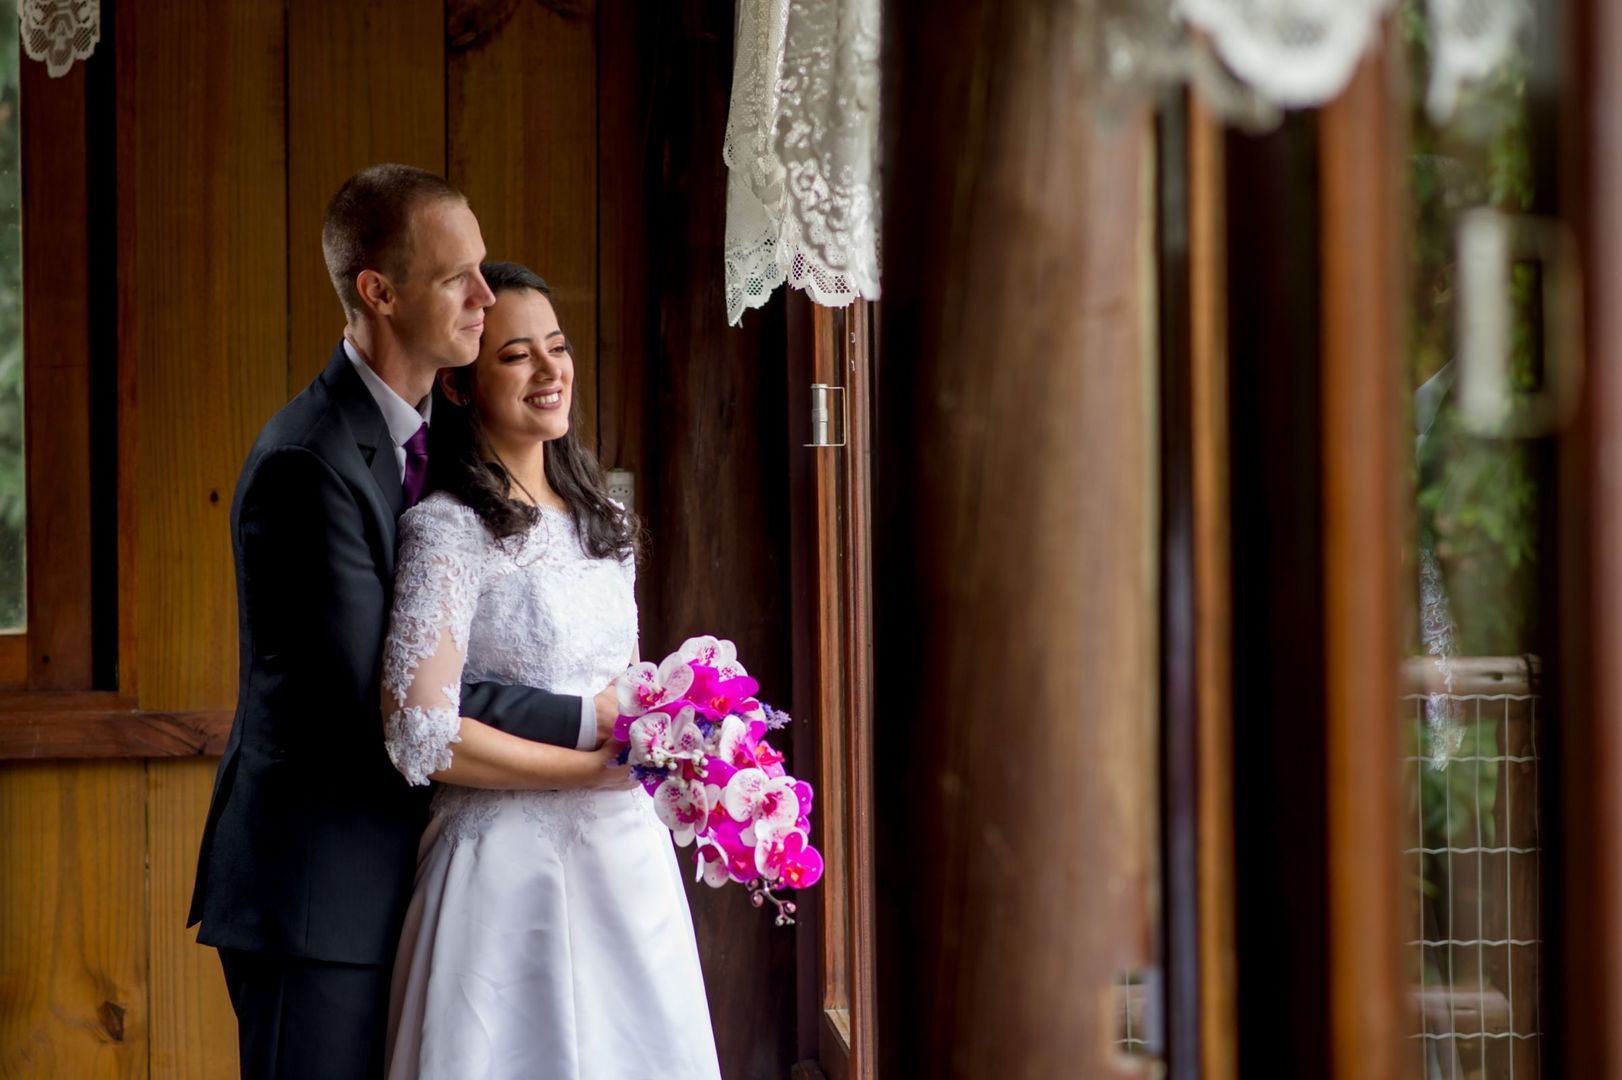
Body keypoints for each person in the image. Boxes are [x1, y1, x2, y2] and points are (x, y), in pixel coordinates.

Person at [186, 165, 623, 1079]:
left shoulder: (441, 445)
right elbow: (385, 700)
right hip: (321, 894)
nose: (483, 297)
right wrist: (593, 720)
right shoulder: (307, 463)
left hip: (425, 880)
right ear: (380, 293)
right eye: (457, 278)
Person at [381, 262, 721, 1079]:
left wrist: (689, 743)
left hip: (627, 861)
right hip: (501, 868)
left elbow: (629, 691)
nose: (549, 370)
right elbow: (420, 733)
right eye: (516, 355)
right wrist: (586, 772)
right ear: (459, 387)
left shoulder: (608, 522)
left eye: (558, 348)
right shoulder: (446, 530)